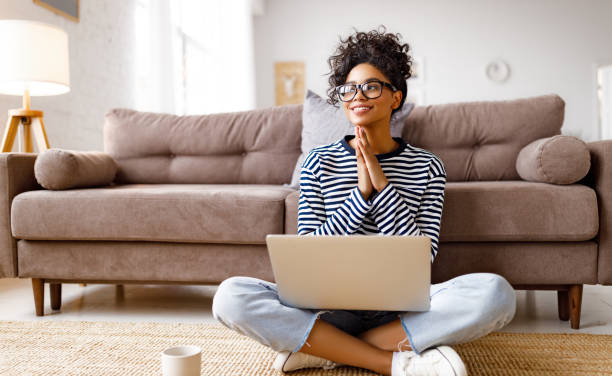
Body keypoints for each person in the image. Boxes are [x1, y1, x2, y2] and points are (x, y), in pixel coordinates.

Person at [212, 26, 516, 376]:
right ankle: (389, 361)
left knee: (496, 294)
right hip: (327, 307)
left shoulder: (427, 166)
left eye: (371, 86)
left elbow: (422, 252)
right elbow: (310, 249)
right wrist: (360, 195)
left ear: (395, 97)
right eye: (348, 89)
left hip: (401, 310)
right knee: (230, 296)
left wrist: (379, 180)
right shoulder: (317, 161)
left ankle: (321, 348)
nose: (357, 96)